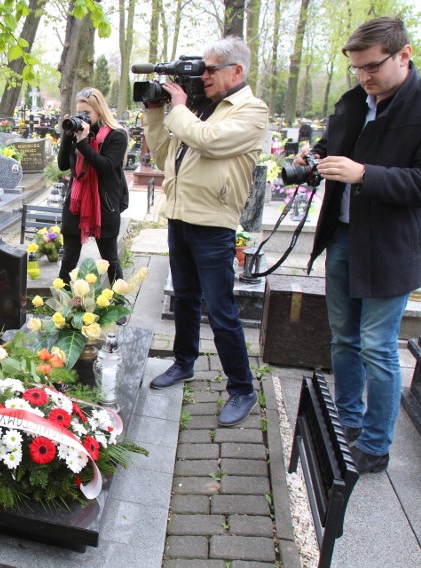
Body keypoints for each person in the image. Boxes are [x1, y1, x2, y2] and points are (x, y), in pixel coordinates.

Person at [297, 17, 420, 473]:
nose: (365, 77)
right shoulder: (354, 102)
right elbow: (332, 147)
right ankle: (346, 422)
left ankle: (375, 443)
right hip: (344, 236)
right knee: (344, 338)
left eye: (372, 67)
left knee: (377, 346)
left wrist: (365, 174)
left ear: (403, 55)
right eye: (357, 69)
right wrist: (312, 158)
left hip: (391, 247)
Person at [142, 37, 269, 427]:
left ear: (237, 71)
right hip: (180, 216)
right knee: (184, 298)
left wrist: (180, 108)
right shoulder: (199, 109)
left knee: (220, 310)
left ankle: (242, 389)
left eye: (211, 69)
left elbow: (209, 143)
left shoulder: (251, 111)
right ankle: (184, 362)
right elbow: (166, 157)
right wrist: (154, 112)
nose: (204, 75)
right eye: (204, 68)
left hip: (213, 224)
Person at [56, 87, 129, 286]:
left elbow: (105, 166)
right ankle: (62, 306)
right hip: (76, 204)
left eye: (87, 113)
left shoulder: (116, 135)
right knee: (69, 259)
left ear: (99, 111)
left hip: (104, 207)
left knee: (110, 260)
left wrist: (82, 143)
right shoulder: (77, 134)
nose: (83, 117)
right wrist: (67, 135)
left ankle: (118, 304)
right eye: (80, 112)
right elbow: (63, 165)